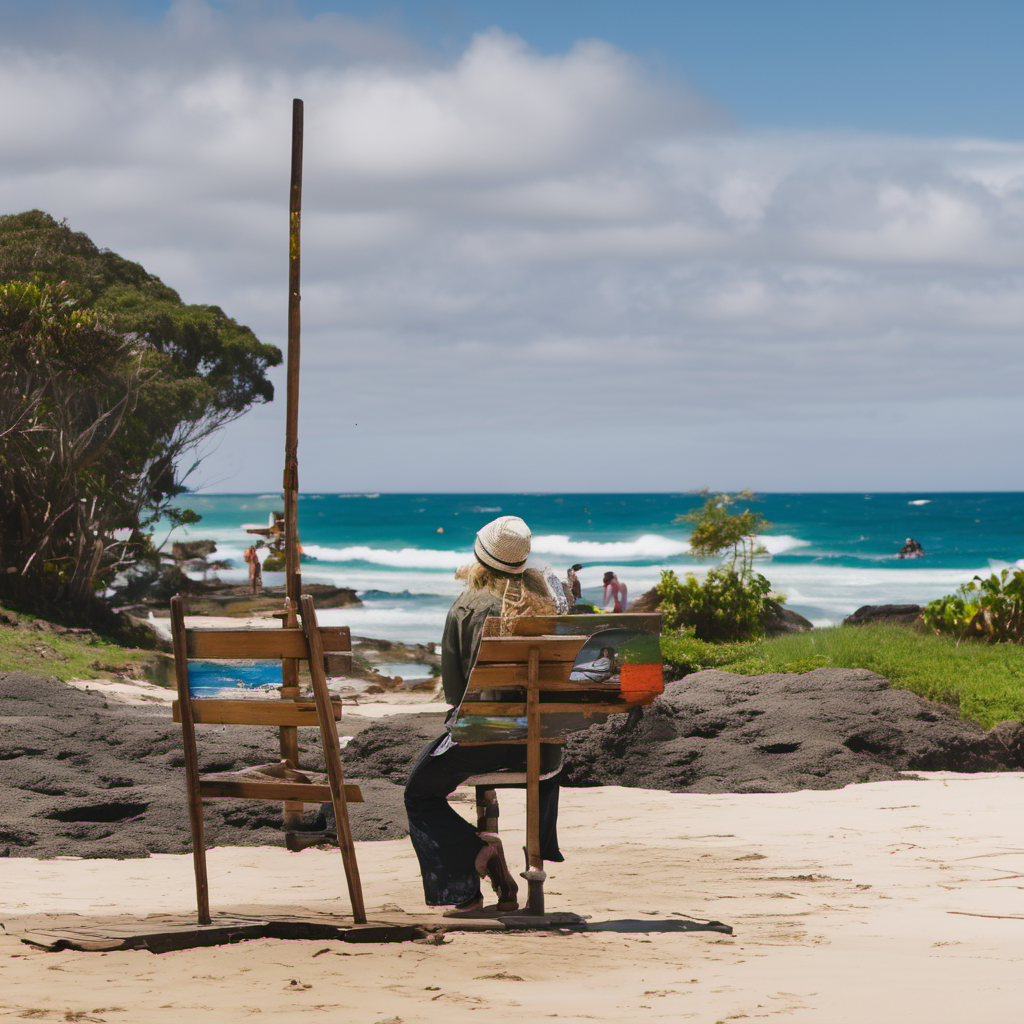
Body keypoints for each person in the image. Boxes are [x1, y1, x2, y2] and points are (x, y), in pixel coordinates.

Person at [404, 515, 564, 917]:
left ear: (480, 555)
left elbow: (457, 693)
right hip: (544, 750)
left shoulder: (468, 606)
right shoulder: (548, 603)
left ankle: (472, 872)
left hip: (485, 740)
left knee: (419, 795)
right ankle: (517, 874)